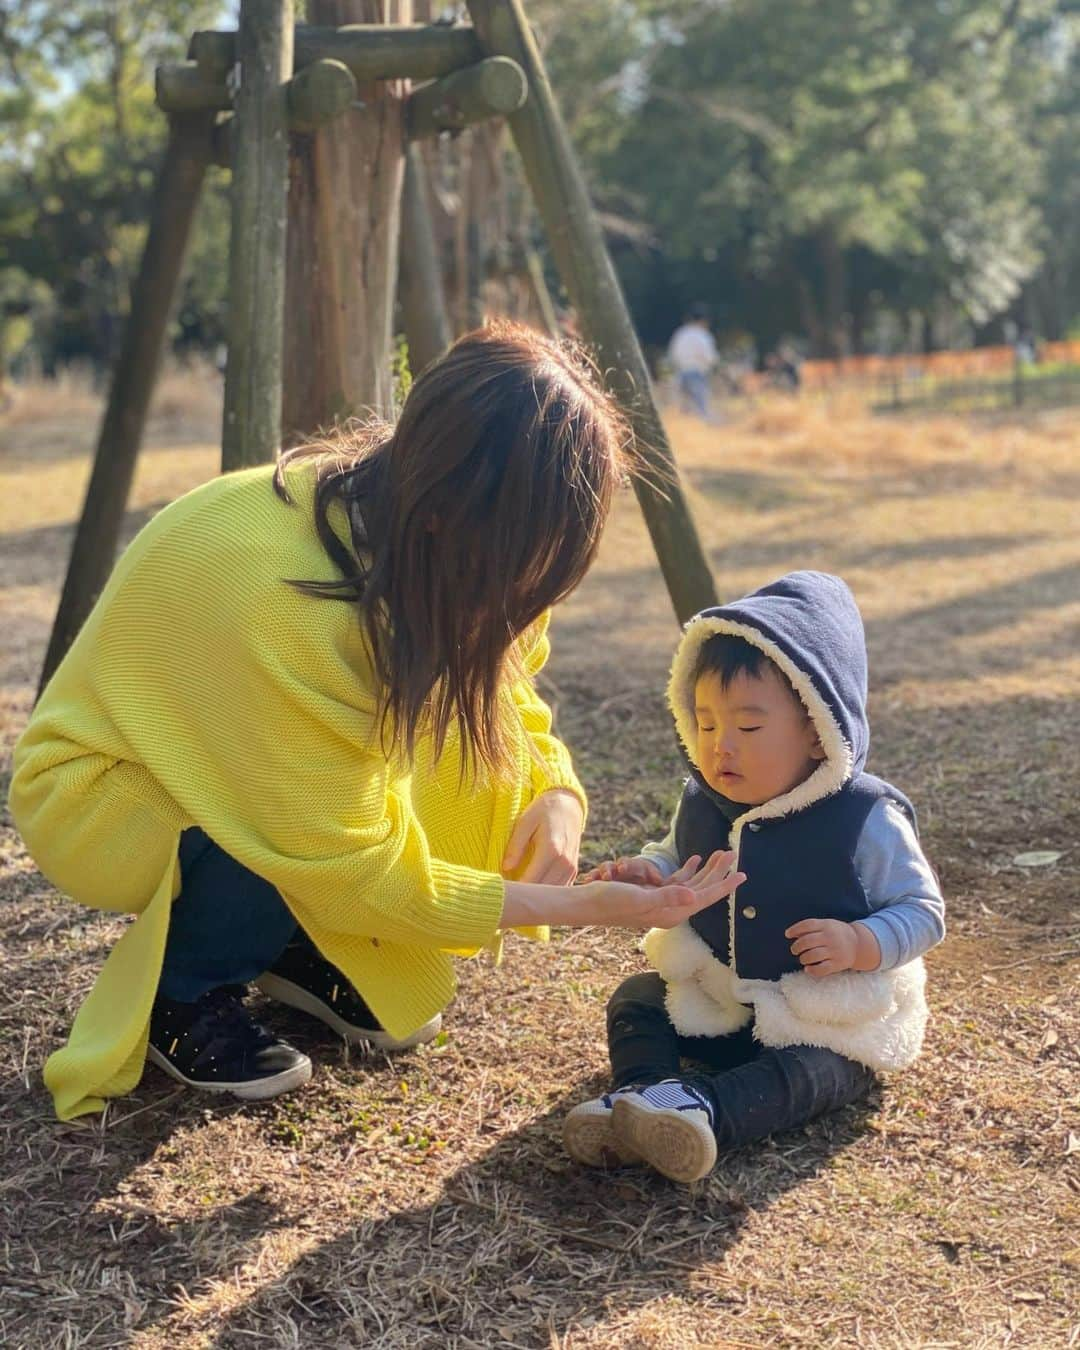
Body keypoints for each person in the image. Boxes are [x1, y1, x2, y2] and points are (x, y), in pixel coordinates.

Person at [10, 322, 744, 1123]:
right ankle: (186, 989)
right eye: (524, 560)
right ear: (453, 512)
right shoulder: (286, 609)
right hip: (106, 795)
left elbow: (509, 682)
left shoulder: (401, 523)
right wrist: (580, 911)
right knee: (289, 831)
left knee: (410, 766)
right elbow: (354, 862)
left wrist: (557, 793)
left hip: (242, 771)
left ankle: (288, 944)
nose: (528, 592)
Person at [563, 571, 945, 1183]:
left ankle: (707, 1112)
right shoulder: (705, 800)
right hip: (721, 996)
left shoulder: (863, 817)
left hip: (819, 1016)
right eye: (707, 725)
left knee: (825, 1071)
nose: (721, 748)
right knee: (637, 996)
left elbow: (922, 910)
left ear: (820, 734)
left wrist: (859, 943)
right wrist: (651, 872)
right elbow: (676, 853)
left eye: (748, 727)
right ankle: (642, 1098)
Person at [667, 304, 718, 419]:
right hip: (697, 374)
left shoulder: (680, 333)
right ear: (704, 321)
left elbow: (673, 355)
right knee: (701, 408)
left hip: (680, 374)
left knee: (685, 409)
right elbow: (710, 358)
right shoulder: (703, 335)